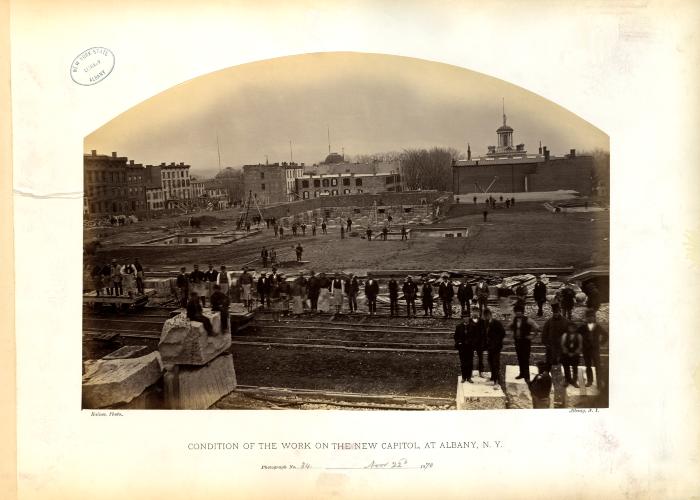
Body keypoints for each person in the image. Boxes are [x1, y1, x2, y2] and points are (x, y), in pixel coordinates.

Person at [579, 309, 608, 389]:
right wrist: (580, 343)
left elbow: (606, 335)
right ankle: (589, 381)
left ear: (594, 318)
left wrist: (600, 343)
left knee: (598, 366)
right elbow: (576, 334)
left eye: (592, 317)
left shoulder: (598, 327)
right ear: (586, 318)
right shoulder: (582, 327)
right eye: (588, 317)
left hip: (595, 350)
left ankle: (599, 382)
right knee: (588, 366)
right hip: (586, 350)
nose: (590, 318)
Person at [510, 303, 539, 381]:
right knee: (519, 358)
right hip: (518, 342)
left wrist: (532, 336)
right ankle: (521, 374)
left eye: (519, 311)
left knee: (525, 359)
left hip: (525, 342)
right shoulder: (515, 319)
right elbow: (510, 326)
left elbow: (537, 327)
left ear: (522, 311)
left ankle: (527, 376)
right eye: (516, 311)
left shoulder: (527, 319)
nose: (518, 312)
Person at [454, 311, 483, 383]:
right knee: (463, 362)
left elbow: (476, 337)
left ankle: (469, 377)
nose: (465, 319)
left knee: (470, 362)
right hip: (462, 348)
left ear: (469, 318)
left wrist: (472, 343)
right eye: (464, 317)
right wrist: (459, 342)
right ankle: (464, 377)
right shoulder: (459, 327)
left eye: (467, 317)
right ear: (462, 318)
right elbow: (456, 336)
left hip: (470, 347)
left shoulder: (473, 326)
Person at [483, 308, 505, 387]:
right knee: (490, 361)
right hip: (489, 347)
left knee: (496, 363)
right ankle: (493, 377)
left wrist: (497, 341)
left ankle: (497, 380)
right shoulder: (485, 323)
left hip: (496, 346)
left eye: (488, 315)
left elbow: (502, 333)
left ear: (490, 315)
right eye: (485, 316)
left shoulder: (497, 323)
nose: (486, 317)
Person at [561, 322, 583, 387]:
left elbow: (580, 345)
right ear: (568, 328)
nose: (571, 329)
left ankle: (574, 381)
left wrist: (574, 353)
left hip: (575, 354)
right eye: (570, 328)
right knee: (566, 367)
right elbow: (562, 344)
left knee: (575, 367)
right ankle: (567, 380)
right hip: (566, 354)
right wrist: (567, 352)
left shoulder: (579, 335)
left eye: (573, 328)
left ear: (575, 328)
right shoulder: (565, 335)